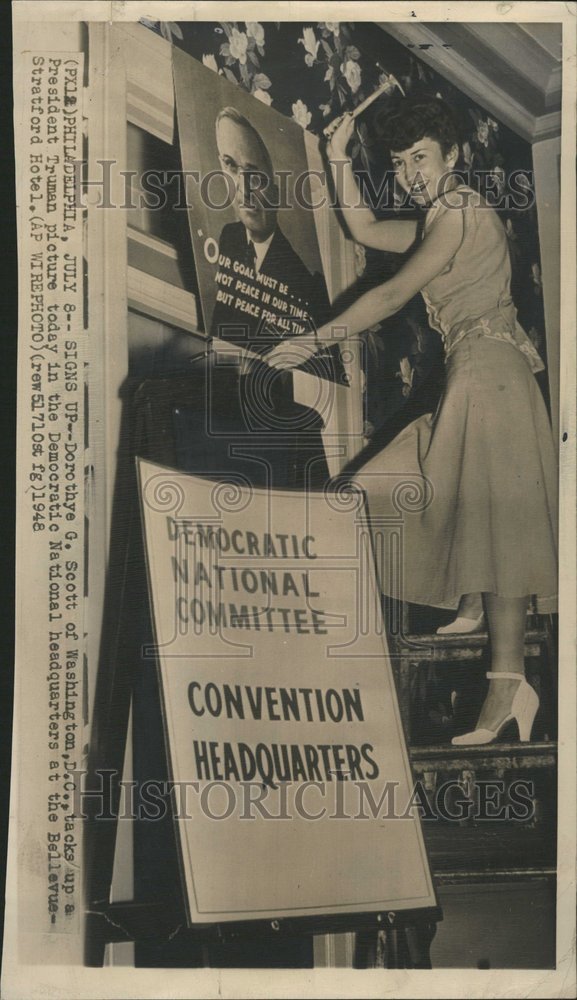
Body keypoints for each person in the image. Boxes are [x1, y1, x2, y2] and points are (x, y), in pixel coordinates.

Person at [265, 97, 558, 746]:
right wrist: (336, 159)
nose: (409, 175)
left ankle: (507, 685)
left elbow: (395, 292)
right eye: (399, 165)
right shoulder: (435, 217)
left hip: (491, 374)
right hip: (474, 375)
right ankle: (474, 600)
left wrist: (316, 338)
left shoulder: (456, 208)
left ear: (452, 156)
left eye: (419, 159)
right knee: (382, 488)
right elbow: (365, 231)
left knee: (494, 530)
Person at [210, 106, 332, 353]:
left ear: (275, 192)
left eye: (255, 174)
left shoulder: (307, 285)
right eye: (231, 166)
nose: (244, 188)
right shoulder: (229, 237)